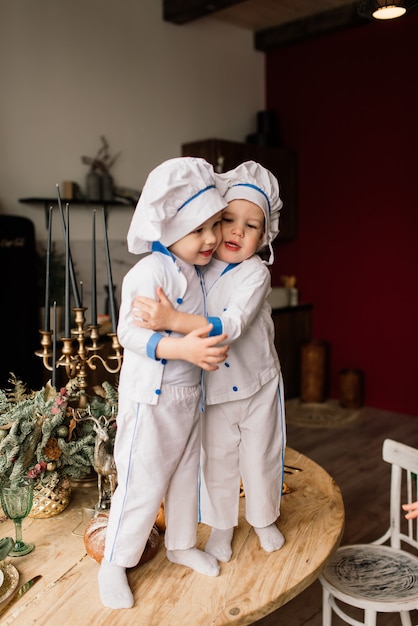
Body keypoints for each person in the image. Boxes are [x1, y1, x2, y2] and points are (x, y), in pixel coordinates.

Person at [133, 161, 286, 563]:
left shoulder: (255, 274)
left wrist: (173, 321)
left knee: (260, 456)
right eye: (228, 220)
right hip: (213, 389)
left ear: (264, 236)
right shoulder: (195, 268)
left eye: (252, 226)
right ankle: (221, 525)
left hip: (258, 384)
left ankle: (264, 517)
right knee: (216, 460)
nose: (237, 231)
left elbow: (232, 324)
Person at [98, 157, 230, 610]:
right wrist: (184, 349)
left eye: (215, 225)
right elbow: (130, 335)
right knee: (141, 481)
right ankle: (114, 561)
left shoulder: (195, 271)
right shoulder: (148, 273)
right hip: (151, 400)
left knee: (184, 478)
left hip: (187, 397)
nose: (211, 238)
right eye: (199, 230)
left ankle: (179, 544)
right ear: (169, 228)